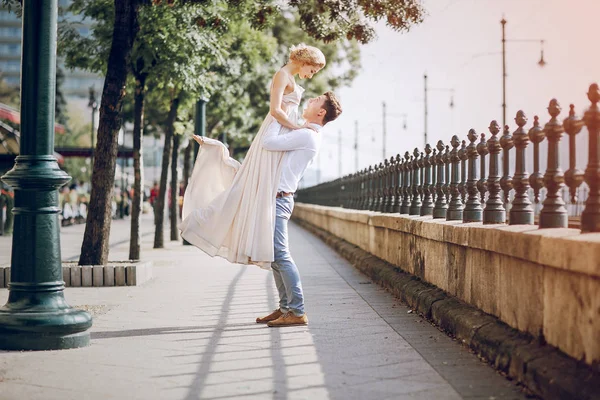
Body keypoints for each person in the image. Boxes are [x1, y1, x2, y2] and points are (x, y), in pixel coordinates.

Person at [181, 43, 325, 268]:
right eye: (313, 70)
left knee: (250, 184)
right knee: (246, 184)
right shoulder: (283, 75)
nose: (311, 75)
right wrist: (296, 128)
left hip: (281, 131)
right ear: (305, 61)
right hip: (276, 129)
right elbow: (275, 110)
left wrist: (293, 129)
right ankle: (203, 221)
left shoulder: (289, 77)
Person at [255, 91, 342, 327]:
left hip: (280, 199)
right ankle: (286, 307)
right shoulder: (307, 133)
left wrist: (276, 113)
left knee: (280, 255)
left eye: (314, 101)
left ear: (321, 112)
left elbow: (268, 142)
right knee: (275, 256)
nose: (309, 101)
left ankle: (297, 310)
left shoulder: (307, 135)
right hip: (279, 198)